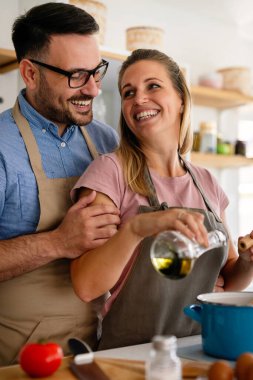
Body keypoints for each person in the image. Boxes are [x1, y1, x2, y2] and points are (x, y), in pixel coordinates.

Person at [71, 49, 253, 350]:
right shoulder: (110, 172)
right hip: (130, 355)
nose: (139, 99)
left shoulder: (207, 183)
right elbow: (86, 285)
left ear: (181, 98)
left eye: (152, 86)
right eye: (128, 92)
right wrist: (136, 228)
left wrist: (247, 262)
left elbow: (228, 279)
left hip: (200, 348)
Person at [0, 2, 120, 366]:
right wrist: (58, 242)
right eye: (76, 76)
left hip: (102, 347)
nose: (94, 90)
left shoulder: (107, 141)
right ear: (30, 73)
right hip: (17, 359)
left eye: (97, 72)